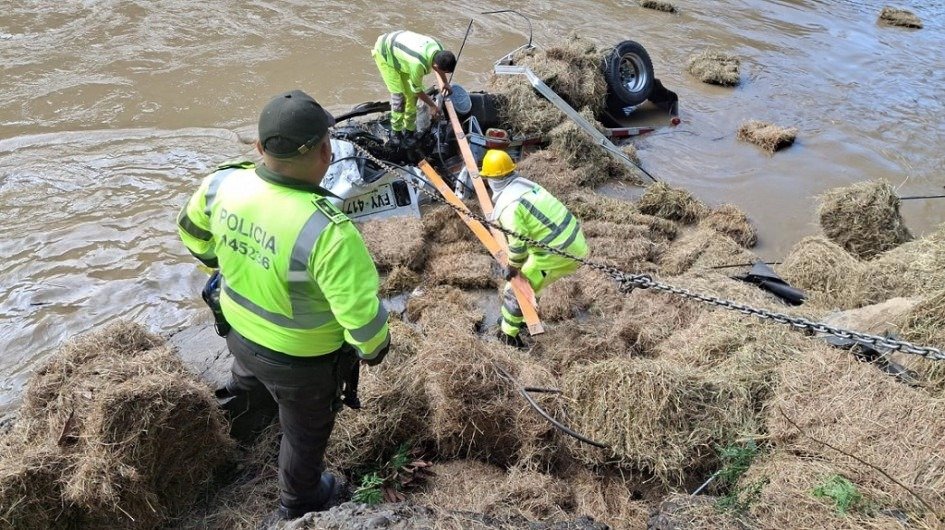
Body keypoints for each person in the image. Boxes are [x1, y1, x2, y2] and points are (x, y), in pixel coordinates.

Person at [176, 90, 391, 521]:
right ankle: (300, 500)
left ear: (259, 147)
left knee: (247, 385)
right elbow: (361, 319)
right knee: (305, 432)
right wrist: (375, 350)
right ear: (326, 152)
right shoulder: (328, 232)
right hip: (302, 364)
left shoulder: (221, 184)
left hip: (238, 330)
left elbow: (192, 235)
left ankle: (232, 443)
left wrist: (227, 262)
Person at [479, 149, 589, 348]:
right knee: (528, 277)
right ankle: (517, 317)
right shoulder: (526, 186)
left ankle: (507, 335)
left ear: (491, 180)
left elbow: (518, 246)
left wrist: (512, 268)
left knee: (515, 289)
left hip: (559, 253)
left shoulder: (509, 205)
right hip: (573, 240)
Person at [372, 30, 456, 148]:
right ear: (436, 66)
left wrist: (445, 83)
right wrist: (433, 106)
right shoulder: (418, 64)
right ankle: (396, 132)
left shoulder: (439, 49)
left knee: (411, 97)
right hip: (385, 52)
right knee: (399, 97)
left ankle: (409, 131)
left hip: (402, 54)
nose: (443, 73)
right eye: (444, 72)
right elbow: (418, 91)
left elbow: (438, 69)